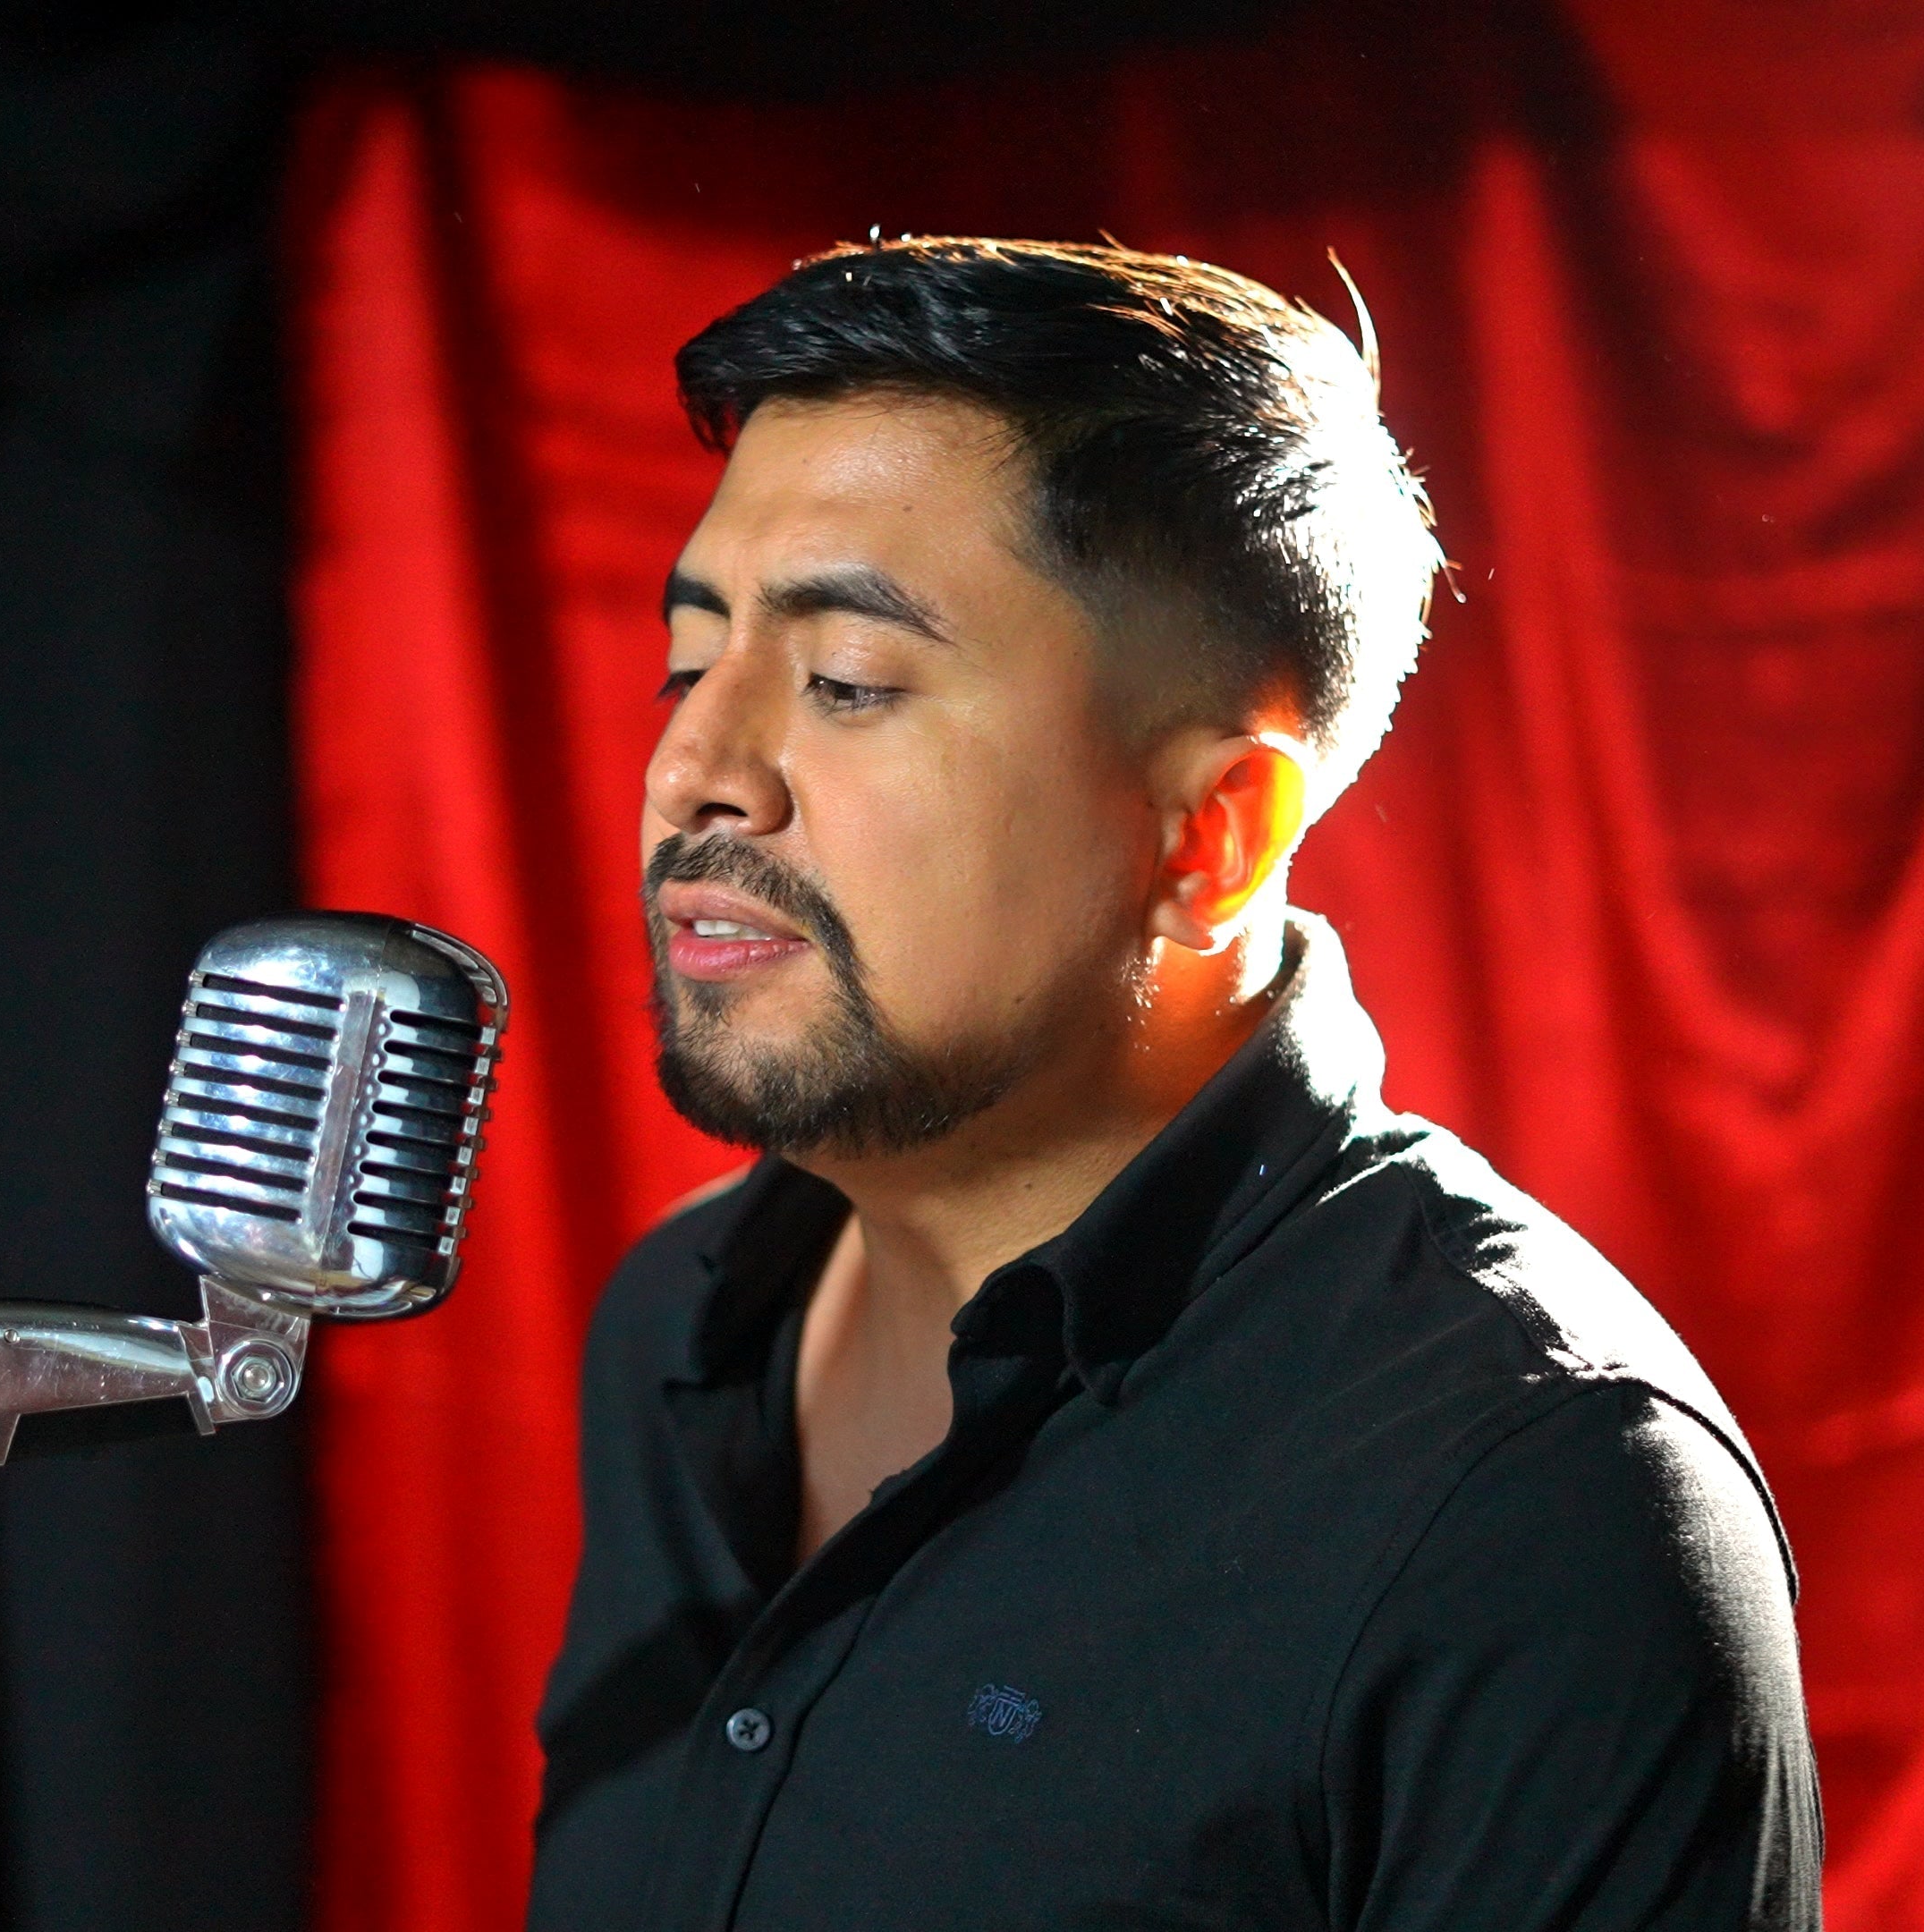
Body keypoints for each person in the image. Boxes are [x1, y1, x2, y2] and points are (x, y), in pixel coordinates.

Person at [528, 237, 1819, 1931]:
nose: (692, 769)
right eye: (690, 665)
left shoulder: (1528, 1496)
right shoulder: (680, 1328)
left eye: (847, 683)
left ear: (1214, 835)